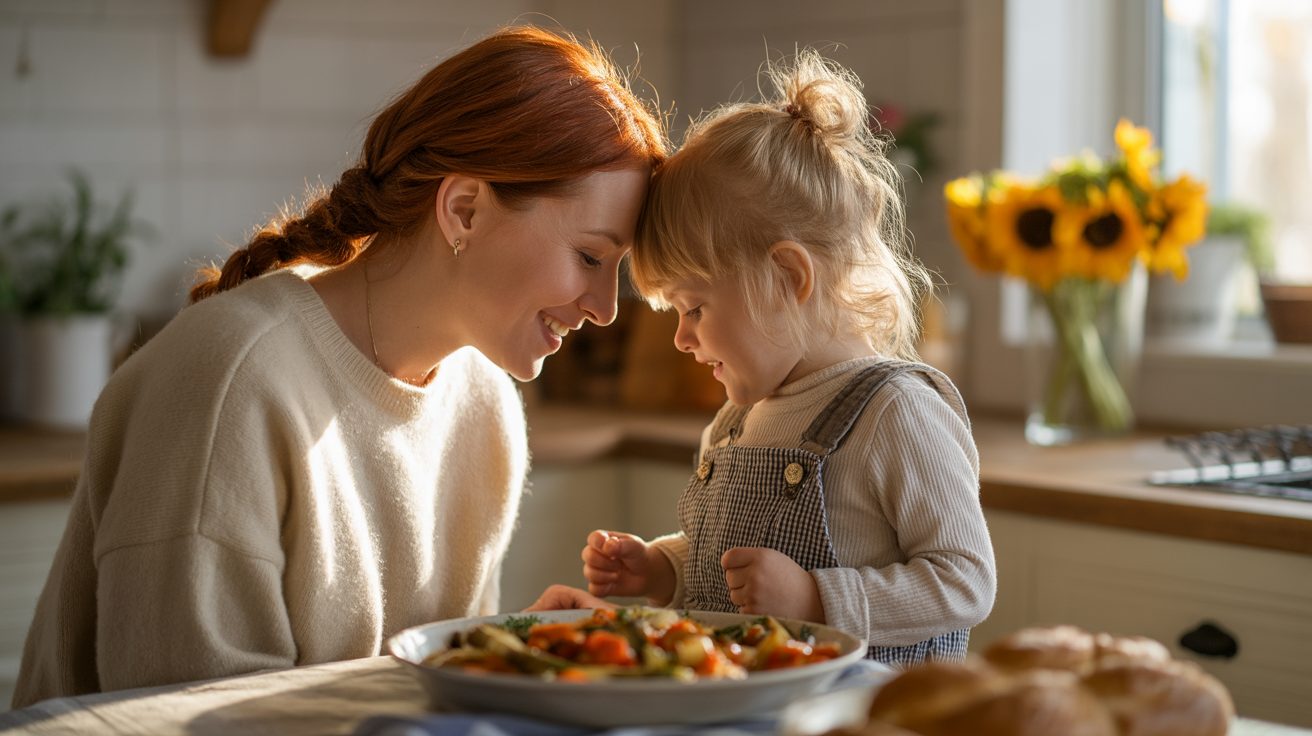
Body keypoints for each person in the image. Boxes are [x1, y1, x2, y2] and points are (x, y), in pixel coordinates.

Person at [12, 25, 666, 708]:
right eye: (591, 258)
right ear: (464, 209)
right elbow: (197, 720)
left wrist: (500, 655)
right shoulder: (231, 379)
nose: (603, 309)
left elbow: (398, 691)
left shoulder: (486, 407)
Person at [578, 51, 995, 666]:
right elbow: (722, 565)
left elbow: (965, 581)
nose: (682, 340)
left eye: (693, 308)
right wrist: (661, 569)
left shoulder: (897, 413)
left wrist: (817, 597)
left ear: (786, 277)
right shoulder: (735, 423)